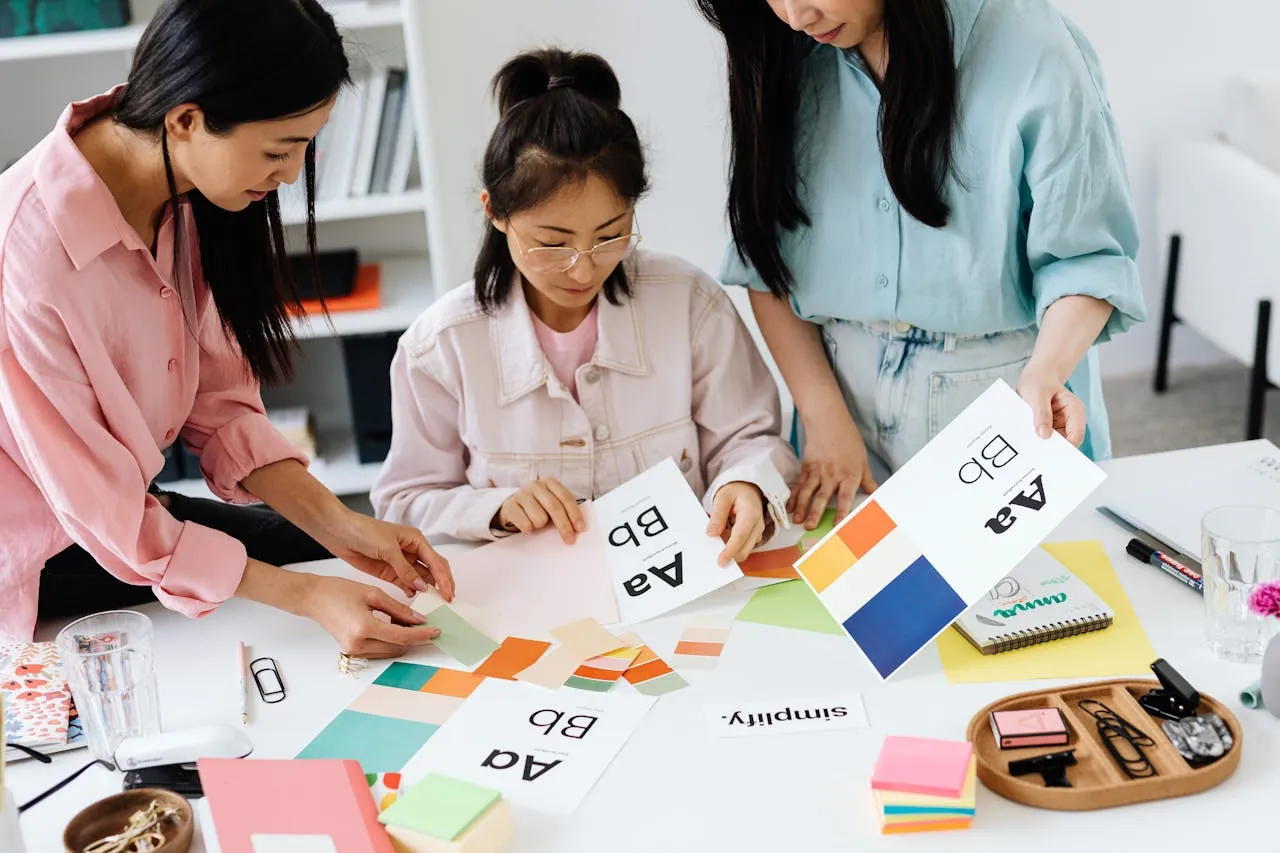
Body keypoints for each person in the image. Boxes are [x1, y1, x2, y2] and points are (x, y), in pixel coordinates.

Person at [0, 0, 453, 658]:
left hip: (118, 504)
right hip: (39, 548)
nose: (291, 174)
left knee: (316, 555)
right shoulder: (28, 258)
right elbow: (105, 515)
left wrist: (343, 526)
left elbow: (220, 407)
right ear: (187, 119)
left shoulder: (179, 189)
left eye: (304, 148)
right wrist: (306, 597)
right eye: (279, 150)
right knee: (300, 595)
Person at [695, 0, 1147, 529]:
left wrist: (1047, 370)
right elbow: (766, 264)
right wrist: (821, 413)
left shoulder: (1031, 44)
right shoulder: (783, 53)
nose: (796, 15)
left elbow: (1087, 258)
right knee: (850, 605)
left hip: (1003, 410)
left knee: (1033, 603)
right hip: (839, 420)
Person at [372, 49, 799, 565]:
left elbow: (750, 438)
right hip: (532, 609)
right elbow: (403, 504)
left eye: (610, 236)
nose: (583, 269)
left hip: (686, 595)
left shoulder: (690, 302)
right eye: (552, 243)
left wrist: (746, 484)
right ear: (496, 212)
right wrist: (495, 508)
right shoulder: (439, 347)